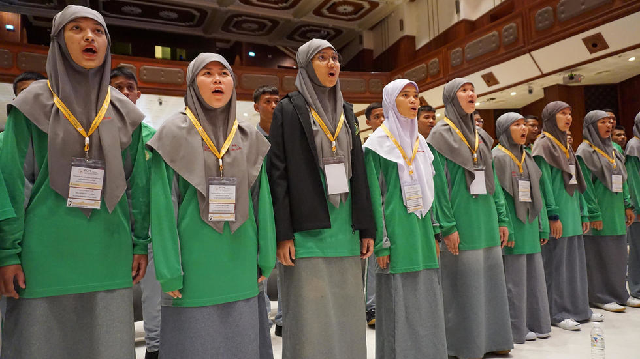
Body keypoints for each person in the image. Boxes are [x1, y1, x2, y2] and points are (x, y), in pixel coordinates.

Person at [0, 6, 149, 358]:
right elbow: (12, 182)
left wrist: (141, 242)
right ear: (57, 41)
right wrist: (7, 251)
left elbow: (136, 186)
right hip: (43, 254)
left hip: (109, 251)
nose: (88, 37)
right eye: (77, 29)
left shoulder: (124, 114)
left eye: (98, 32)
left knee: (106, 345)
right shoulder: (31, 106)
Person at [148, 53, 275, 359]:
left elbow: (263, 203)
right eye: (207, 73)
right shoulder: (171, 134)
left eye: (224, 73)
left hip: (240, 263)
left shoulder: (249, 138)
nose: (217, 79)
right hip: (192, 270)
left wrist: (266, 255)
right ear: (192, 84)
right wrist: (167, 270)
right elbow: (164, 206)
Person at [268, 39, 375, 359]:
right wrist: (283, 233)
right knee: (310, 315)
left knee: (346, 311)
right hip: (308, 229)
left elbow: (359, 171)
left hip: (345, 229)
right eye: (322, 58)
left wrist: (366, 227)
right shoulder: (288, 108)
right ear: (304, 65)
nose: (332, 64)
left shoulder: (346, 110)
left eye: (335, 58)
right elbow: (278, 173)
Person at [364, 79, 451, 358]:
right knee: (398, 306)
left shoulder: (421, 144)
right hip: (397, 238)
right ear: (391, 101)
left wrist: (436, 231)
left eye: (415, 96)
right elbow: (374, 198)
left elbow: (432, 192)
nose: (413, 101)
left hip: (423, 235)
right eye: (405, 96)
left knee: (425, 302)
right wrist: (382, 242)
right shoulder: (376, 145)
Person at [427, 78, 514, 358]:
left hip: (486, 218)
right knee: (462, 286)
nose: (470, 93)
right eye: (463, 90)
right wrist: (447, 225)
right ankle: (464, 344)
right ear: (451, 98)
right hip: (461, 221)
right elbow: (438, 186)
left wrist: (502, 218)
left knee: (490, 282)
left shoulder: (482, 137)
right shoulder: (439, 136)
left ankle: (492, 339)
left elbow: (494, 183)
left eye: (472, 89)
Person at [532, 102, 603, 331]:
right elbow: (545, 186)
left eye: (570, 113)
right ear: (551, 117)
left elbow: (577, 181)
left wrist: (583, 212)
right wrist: (553, 215)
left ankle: (579, 309)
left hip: (573, 212)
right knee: (557, 266)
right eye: (563, 114)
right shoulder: (543, 145)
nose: (568, 117)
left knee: (575, 265)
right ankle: (558, 312)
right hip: (559, 215)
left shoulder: (565, 145)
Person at [109, 66, 160, 359]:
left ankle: (154, 348)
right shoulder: (95, 135)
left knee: (152, 295)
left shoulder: (153, 138)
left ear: (138, 94)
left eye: (130, 87)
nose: (125, 92)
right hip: (110, 227)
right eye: (118, 87)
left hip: (148, 230)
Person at [493, 112, 552, 343]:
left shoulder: (527, 155)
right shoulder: (497, 156)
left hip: (530, 226)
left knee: (535, 280)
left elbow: (538, 195)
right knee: (514, 283)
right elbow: (498, 197)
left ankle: (538, 322)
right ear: (505, 129)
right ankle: (517, 327)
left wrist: (543, 225)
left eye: (524, 125)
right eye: (516, 125)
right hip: (513, 230)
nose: (523, 129)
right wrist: (508, 228)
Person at [576, 110, 640, 311]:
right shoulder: (584, 151)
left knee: (618, 255)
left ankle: (620, 293)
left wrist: (627, 205)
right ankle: (600, 296)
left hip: (616, 210)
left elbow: (623, 179)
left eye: (609, 122)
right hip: (600, 210)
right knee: (599, 255)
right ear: (591, 126)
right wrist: (593, 213)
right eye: (602, 122)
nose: (608, 125)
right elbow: (584, 185)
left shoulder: (613, 148)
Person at [252, 84, 280, 353]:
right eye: (267, 101)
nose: (273, 105)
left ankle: (282, 317)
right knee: (261, 274)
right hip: (259, 214)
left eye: (276, 101)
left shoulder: (286, 138)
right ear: (256, 107)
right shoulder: (250, 139)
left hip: (281, 213)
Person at [363, 101, 384, 327]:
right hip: (373, 208)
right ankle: (372, 305)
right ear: (368, 122)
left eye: (385, 116)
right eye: (377, 117)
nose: (382, 121)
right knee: (374, 261)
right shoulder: (368, 148)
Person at [625, 112, 640, 301]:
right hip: (638, 211)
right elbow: (634, 182)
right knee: (637, 250)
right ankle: (637, 288)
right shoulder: (634, 146)